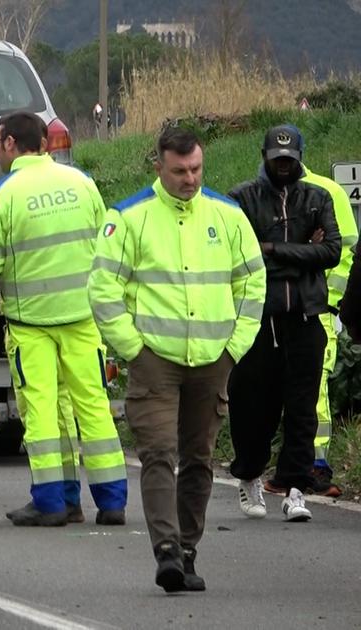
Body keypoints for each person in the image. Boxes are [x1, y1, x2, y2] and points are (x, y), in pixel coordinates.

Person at [88, 127, 265, 593]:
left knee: (200, 459)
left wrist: (233, 349)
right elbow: (103, 290)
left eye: (196, 169)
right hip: (154, 361)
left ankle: (188, 549)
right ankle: (166, 552)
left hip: (213, 360)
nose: (190, 179)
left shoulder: (228, 216)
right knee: (158, 455)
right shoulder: (129, 217)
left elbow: (252, 284)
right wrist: (133, 350)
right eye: (179, 171)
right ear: (158, 167)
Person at [0, 112, 127, 527]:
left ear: (7, 143)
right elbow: (105, 242)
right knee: (92, 407)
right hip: (83, 317)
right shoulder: (83, 182)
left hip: (31, 324)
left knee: (41, 411)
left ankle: (52, 504)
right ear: (43, 142)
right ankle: (111, 502)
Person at [227, 125, 341, 523]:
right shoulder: (242, 198)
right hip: (259, 319)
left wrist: (272, 248)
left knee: (302, 410)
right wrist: (301, 251)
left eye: (290, 161)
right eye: (277, 161)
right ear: (264, 157)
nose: (284, 167)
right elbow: (237, 255)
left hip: (307, 317)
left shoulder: (318, 197)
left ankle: (295, 489)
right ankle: (250, 474)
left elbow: (330, 251)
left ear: (300, 158)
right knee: (252, 406)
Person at [259, 125, 354, 498]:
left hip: (318, 307)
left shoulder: (324, 194)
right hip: (282, 307)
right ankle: (294, 466)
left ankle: (315, 467)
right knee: (288, 389)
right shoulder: (260, 195)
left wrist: (335, 302)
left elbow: (342, 252)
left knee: (314, 392)